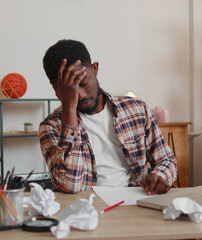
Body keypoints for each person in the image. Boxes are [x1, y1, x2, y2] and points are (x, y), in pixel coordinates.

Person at [39, 39, 177, 195]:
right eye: (69, 90)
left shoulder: (136, 109)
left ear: (95, 68)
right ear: (55, 88)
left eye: (83, 83)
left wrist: (159, 176)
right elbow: (71, 185)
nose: (80, 95)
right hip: (89, 208)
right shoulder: (51, 127)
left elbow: (166, 160)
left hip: (138, 200)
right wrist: (69, 107)